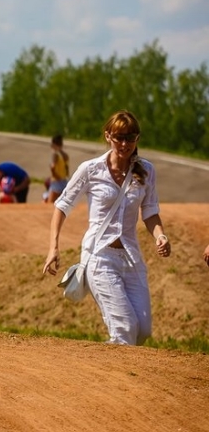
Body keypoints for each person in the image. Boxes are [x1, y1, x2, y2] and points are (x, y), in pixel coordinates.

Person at [42, 110, 171, 346]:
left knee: (142, 330)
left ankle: (107, 367)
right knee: (124, 329)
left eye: (130, 138)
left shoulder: (146, 171)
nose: (124, 144)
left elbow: (150, 211)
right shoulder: (91, 169)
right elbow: (61, 206)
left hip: (131, 258)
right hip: (99, 257)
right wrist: (54, 247)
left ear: (137, 139)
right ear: (108, 136)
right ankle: (118, 382)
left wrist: (160, 236)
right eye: (119, 137)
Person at [48, 134, 70, 203]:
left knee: (49, 203)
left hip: (56, 181)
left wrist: (54, 175)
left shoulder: (55, 155)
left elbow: (53, 167)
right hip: (64, 181)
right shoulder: (65, 155)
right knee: (61, 204)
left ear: (54, 144)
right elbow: (66, 168)